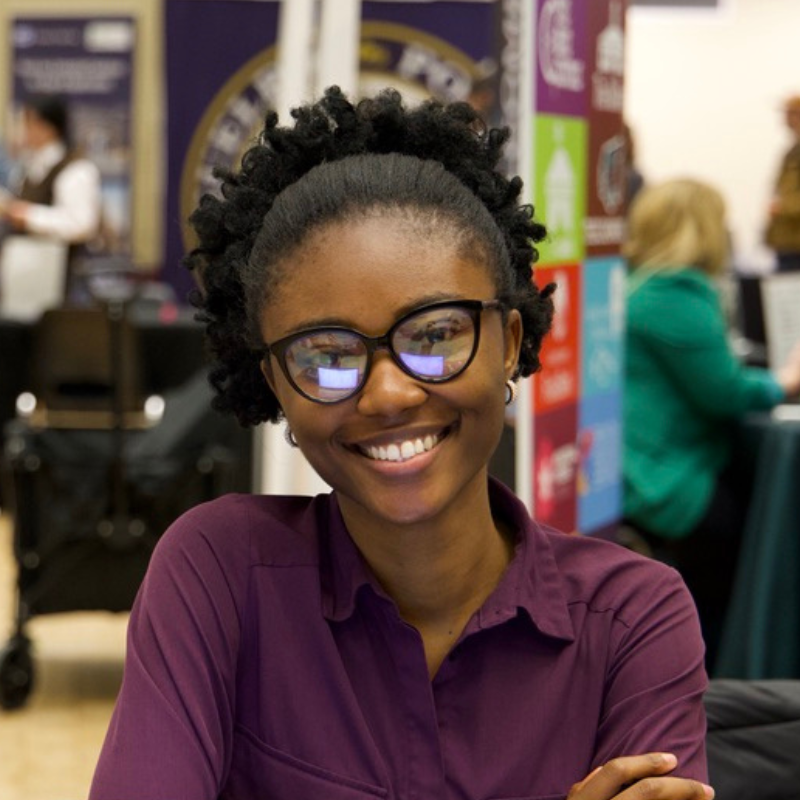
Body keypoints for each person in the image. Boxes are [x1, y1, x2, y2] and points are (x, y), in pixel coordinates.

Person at [90, 88, 712, 800]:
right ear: (276, 384)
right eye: (326, 354)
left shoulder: (633, 620)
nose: (388, 394)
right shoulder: (221, 576)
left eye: (435, 335)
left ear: (509, 342)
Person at [622, 178, 800, 670]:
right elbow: (725, 392)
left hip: (640, 475)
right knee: (771, 538)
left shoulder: (640, 288)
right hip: (670, 489)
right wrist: (786, 381)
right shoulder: (676, 292)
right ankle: (747, 669)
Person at [0, 94, 101, 299]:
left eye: (29, 123)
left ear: (48, 127)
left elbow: (82, 225)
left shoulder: (76, 169)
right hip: (28, 277)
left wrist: (26, 215)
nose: (23, 131)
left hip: (61, 282)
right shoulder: (28, 166)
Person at [765, 94, 800, 272]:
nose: (786, 119)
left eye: (791, 113)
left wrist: (783, 207)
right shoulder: (791, 151)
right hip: (788, 242)